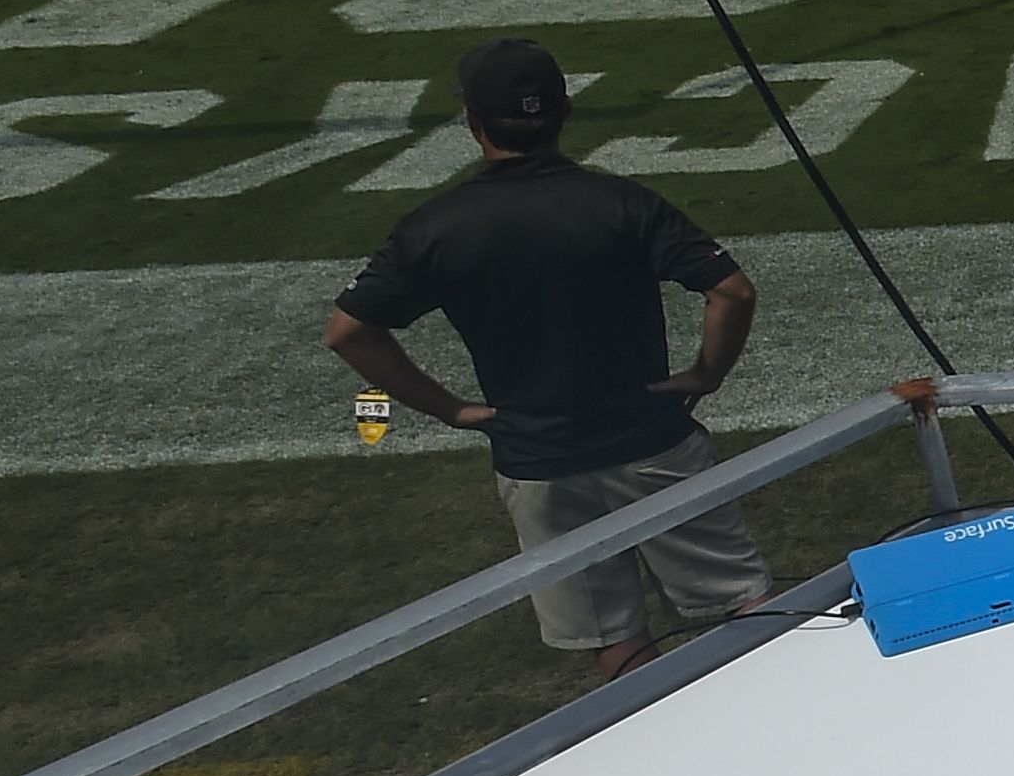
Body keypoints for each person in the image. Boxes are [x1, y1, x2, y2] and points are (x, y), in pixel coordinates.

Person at [324, 38, 767, 687]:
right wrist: (707, 373)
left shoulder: (434, 226)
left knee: (613, 636)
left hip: (538, 462)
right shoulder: (623, 204)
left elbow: (349, 333)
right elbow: (732, 290)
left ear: (473, 122)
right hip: (652, 438)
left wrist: (452, 409)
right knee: (742, 604)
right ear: (564, 108)